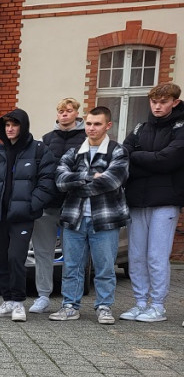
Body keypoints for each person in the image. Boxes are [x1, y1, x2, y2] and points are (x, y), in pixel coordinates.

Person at [49, 106, 130, 325]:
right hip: (74, 217)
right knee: (72, 266)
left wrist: (77, 182)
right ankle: (70, 306)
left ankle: (104, 307)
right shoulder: (74, 152)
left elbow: (112, 181)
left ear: (108, 126)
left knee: (104, 267)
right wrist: (91, 177)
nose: (91, 128)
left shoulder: (118, 151)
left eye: (97, 124)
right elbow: (60, 181)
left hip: (105, 219)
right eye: (89, 123)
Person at [0, 109, 58, 322]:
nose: (10, 129)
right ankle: (7, 300)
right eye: (7, 125)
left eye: (14, 125)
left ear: (23, 126)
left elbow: (47, 181)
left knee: (15, 258)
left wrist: (30, 206)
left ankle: (18, 303)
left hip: (22, 217)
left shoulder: (39, 150)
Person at [121, 82, 184, 324]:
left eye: (163, 102)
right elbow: (124, 153)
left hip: (165, 201)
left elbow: (168, 160)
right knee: (136, 255)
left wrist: (139, 158)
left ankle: (157, 306)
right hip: (137, 199)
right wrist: (151, 161)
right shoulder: (140, 127)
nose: (157, 106)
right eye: (154, 102)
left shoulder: (181, 128)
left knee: (156, 256)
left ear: (174, 102)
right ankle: (140, 302)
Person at [32, 98, 88, 313]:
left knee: (73, 255)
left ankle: (70, 299)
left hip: (74, 205)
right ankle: (43, 296)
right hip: (48, 204)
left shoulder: (86, 138)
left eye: (69, 110)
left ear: (77, 113)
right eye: (61, 111)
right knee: (42, 252)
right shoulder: (46, 139)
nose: (64, 114)